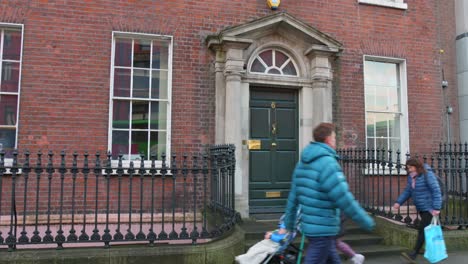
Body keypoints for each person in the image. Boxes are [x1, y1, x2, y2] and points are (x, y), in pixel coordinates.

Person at [283, 122, 375, 264]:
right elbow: (344, 197)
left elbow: (293, 198)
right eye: (334, 138)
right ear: (328, 139)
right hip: (324, 228)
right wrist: (365, 220)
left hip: (312, 227)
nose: (335, 141)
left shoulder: (302, 163)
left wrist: (289, 224)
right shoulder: (328, 164)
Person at [393, 158, 442, 263]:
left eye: (410, 167)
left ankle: (414, 254)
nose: (409, 170)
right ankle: (428, 250)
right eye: (407, 168)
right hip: (421, 207)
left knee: (422, 230)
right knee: (426, 230)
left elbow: (436, 190)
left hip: (430, 208)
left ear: (416, 166)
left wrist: (437, 208)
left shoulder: (427, 174)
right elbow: (408, 191)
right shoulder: (412, 177)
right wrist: (398, 202)